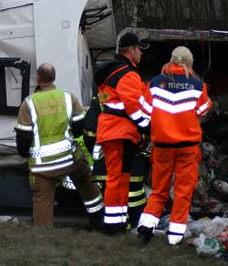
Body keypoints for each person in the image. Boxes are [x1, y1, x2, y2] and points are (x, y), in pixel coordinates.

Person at [137, 46, 212, 245]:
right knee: (182, 190)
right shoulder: (197, 85)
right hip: (187, 147)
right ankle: (175, 236)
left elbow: (144, 110)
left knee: (159, 189)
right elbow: (204, 109)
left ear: (171, 60)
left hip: (162, 145)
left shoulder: (154, 83)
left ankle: (147, 224)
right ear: (189, 62)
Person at [14, 63, 103, 226]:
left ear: (38, 79)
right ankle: (99, 218)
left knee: (42, 200)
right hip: (69, 158)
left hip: (42, 166)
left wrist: (24, 153)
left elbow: (23, 137)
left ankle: (44, 233)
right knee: (86, 180)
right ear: (54, 78)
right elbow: (79, 127)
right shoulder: (68, 97)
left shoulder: (28, 103)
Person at [93, 28, 151, 234]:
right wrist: (147, 127)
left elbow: (110, 104)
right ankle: (112, 225)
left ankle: (116, 223)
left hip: (113, 131)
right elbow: (133, 106)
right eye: (140, 49)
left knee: (120, 178)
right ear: (131, 50)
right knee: (117, 178)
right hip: (119, 132)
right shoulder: (128, 74)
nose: (142, 53)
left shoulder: (111, 74)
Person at [82, 95, 149, 230]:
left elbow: (89, 133)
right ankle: (133, 225)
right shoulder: (138, 98)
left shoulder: (101, 100)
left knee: (111, 191)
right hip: (135, 159)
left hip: (108, 159)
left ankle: (114, 225)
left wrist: (100, 151)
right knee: (134, 193)